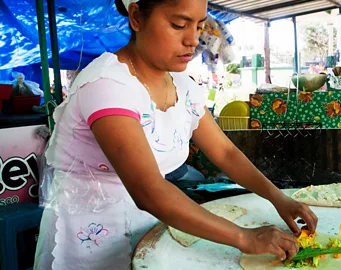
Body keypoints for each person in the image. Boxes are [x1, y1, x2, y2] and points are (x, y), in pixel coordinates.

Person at [33, 0, 317, 269]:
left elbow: (225, 152)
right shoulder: (107, 84)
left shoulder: (183, 85)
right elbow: (148, 191)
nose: (192, 40)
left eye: (198, 26)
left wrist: (278, 198)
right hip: (92, 235)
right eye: (179, 25)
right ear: (136, 18)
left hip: (152, 222)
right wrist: (245, 237)